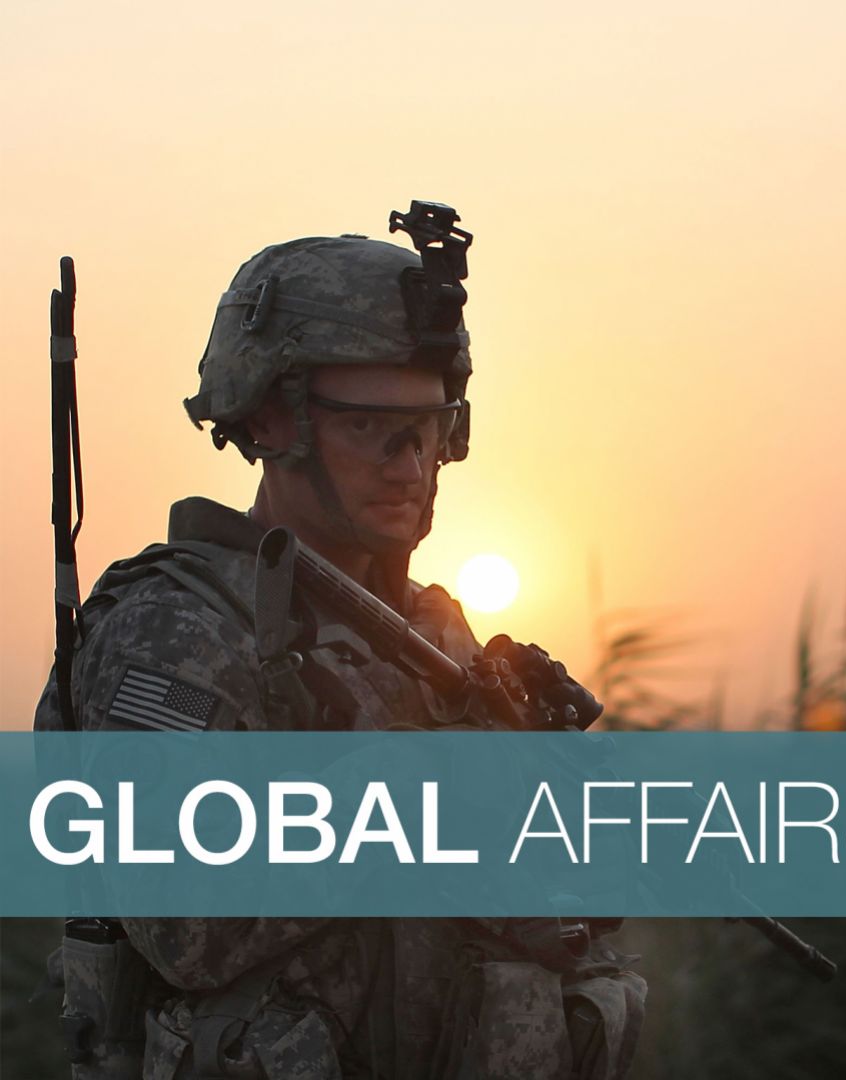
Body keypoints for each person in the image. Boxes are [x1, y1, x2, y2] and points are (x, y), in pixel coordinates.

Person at [35, 202, 646, 1079]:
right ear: (271, 422)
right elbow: (184, 921)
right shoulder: (179, 629)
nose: (411, 465)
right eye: (371, 427)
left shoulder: (433, 631)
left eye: (432, 429)